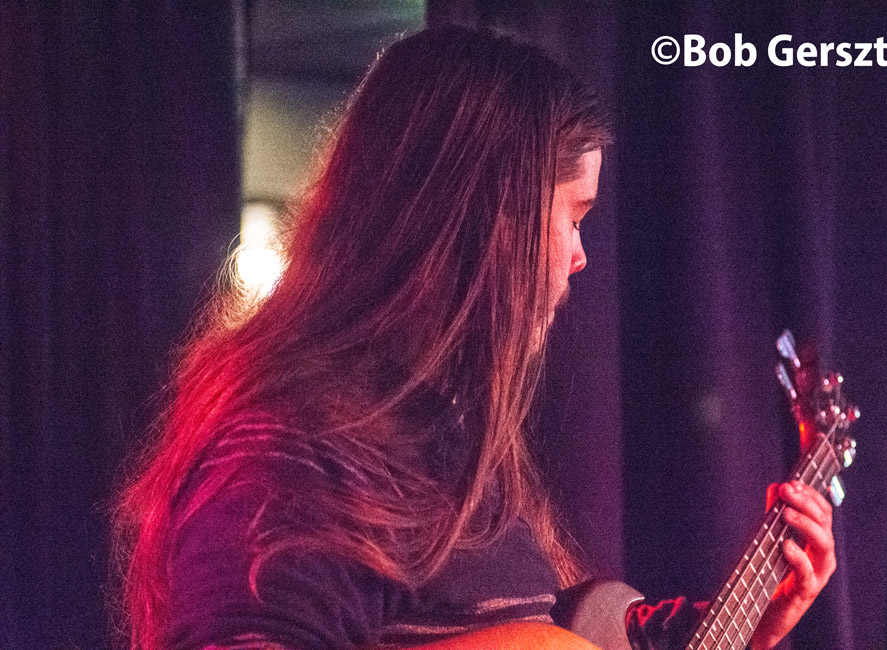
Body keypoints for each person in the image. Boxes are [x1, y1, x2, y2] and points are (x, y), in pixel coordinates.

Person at [114, 25, 836, 650]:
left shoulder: (445, 436)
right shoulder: (293, 443)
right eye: (571, 215)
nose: (580, 254)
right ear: (489, 216)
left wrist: (753, 624)